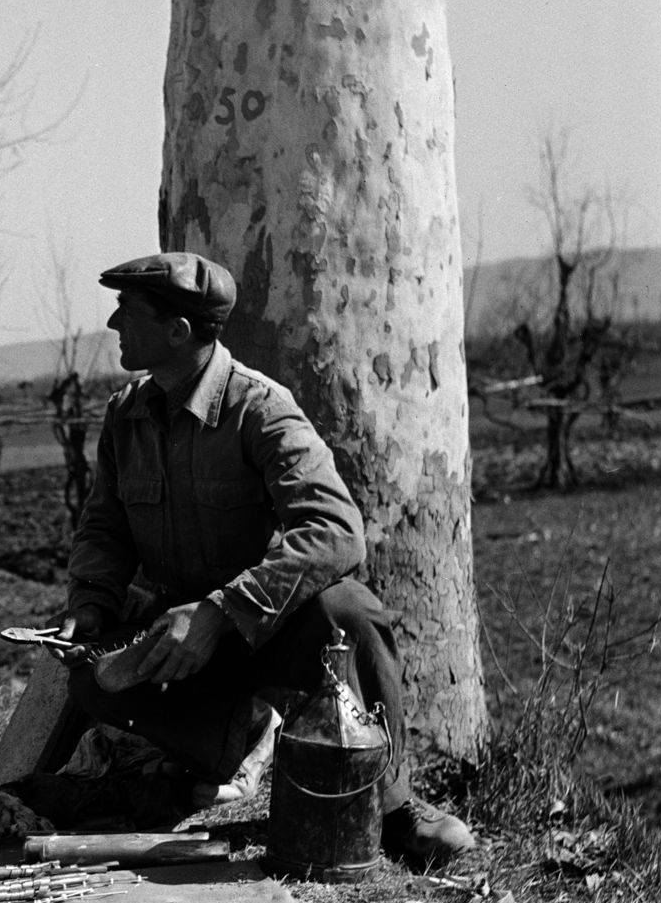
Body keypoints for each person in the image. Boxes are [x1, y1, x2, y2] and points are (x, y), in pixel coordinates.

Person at [50, 251, 473, 868]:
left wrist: (224, 610)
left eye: (127, 311)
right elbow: (105, 528)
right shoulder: (125, 417)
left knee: (348, 611)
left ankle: (390, 803)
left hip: (263, 627)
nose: (114, 324)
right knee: (90, 671)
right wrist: (89, 603)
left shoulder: (261, 409)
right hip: (176, 634)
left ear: (178, 332)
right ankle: (217, 751)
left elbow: (336, 531)